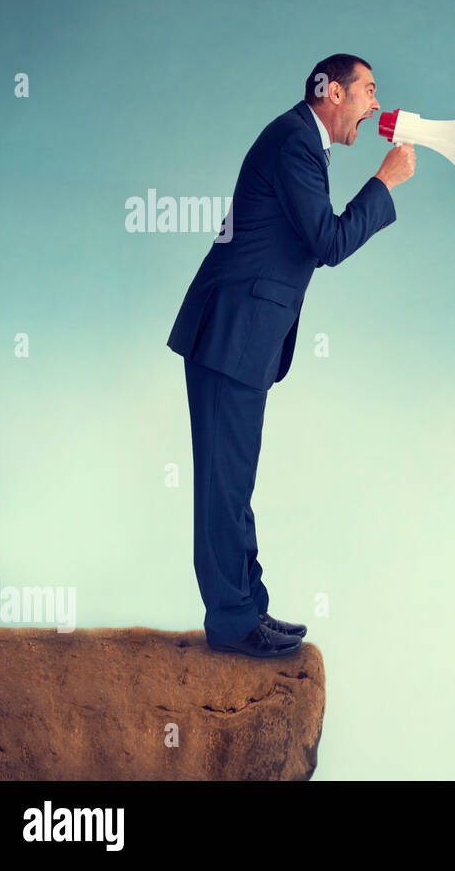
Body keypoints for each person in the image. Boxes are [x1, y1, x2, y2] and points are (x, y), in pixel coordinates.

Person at [167, 54, 417, 657]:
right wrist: (382, 184)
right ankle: (231, 621)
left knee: (236, 482)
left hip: (241, 340)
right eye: (368, 91)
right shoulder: (294, 143)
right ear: (331, 91)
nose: (376, 105)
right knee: (224, 487)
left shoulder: (303, 143)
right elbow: (326, 242)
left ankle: (248, 606)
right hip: (228, 337)